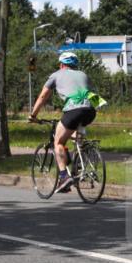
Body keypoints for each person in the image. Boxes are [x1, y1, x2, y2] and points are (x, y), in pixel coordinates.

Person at [29, 52, 98, 193]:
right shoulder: (83, 75)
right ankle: (81, 162)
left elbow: (43, 96)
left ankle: (64, 177)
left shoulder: (56, 75)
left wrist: (33, 115)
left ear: (61, 65)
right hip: (91, 110)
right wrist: (92, 108)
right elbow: (93, 94)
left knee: (58, 142)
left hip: (73, 110)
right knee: (73, 134)